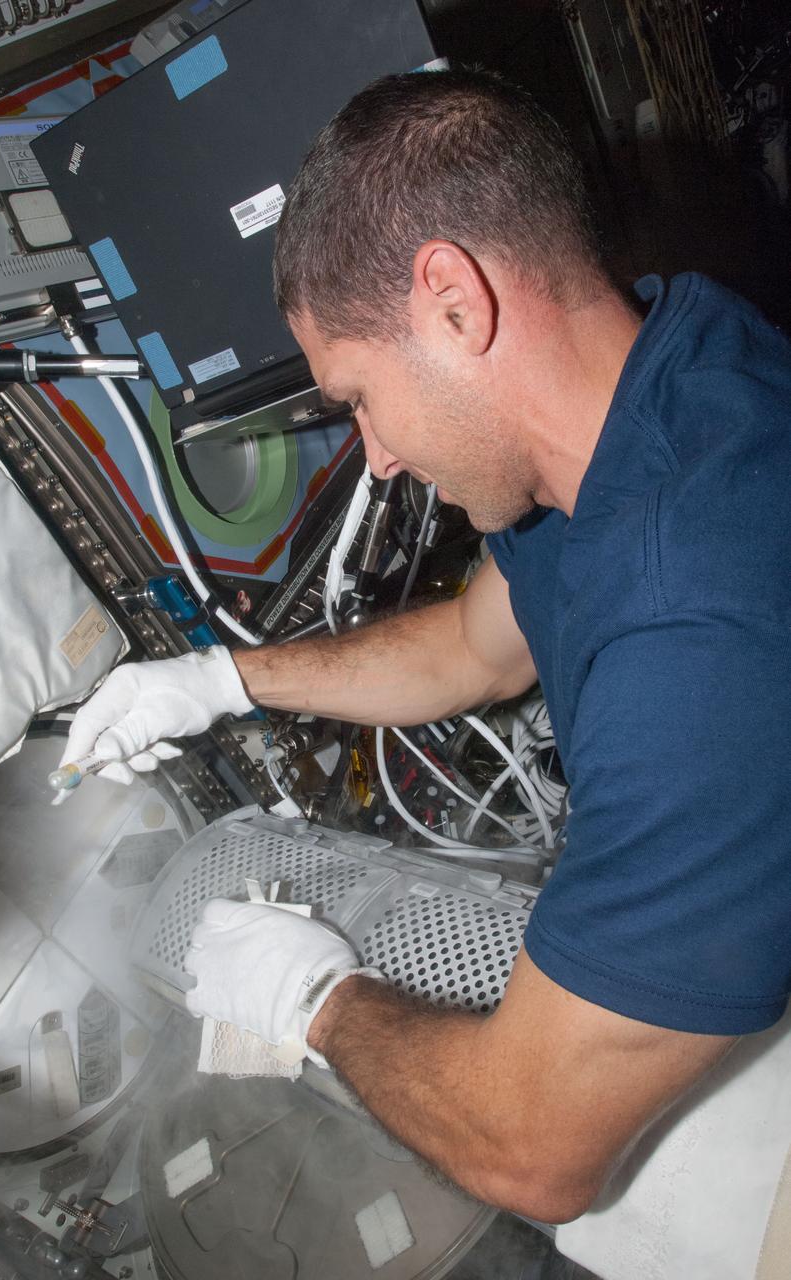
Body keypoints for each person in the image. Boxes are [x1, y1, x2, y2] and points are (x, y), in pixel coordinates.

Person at [61, 69, 791, 1223]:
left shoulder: (692, 625)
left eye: (356, 394)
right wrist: (218, 680)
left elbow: (536, 1152)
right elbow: (470, 643)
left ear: (453, 300)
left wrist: (313, 996)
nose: (378, 455)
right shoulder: (662, 368)